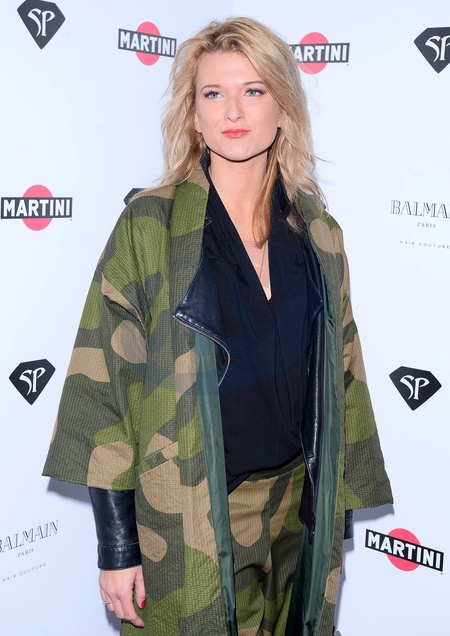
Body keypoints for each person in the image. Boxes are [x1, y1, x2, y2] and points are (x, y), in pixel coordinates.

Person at [43, 16, 393, 636]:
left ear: (283, 107)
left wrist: (333, 502)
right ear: (193, 115)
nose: (233, 110)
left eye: (253, 90)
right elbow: (105, 392)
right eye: (213, 93)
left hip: (299, 504)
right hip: (191, 510)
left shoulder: (318, 230)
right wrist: (118, 547)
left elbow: (343, 372)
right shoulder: (150, 226)